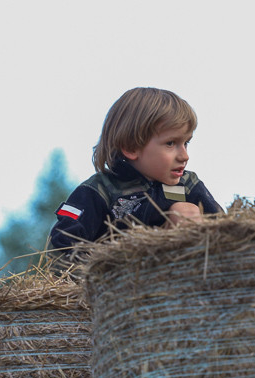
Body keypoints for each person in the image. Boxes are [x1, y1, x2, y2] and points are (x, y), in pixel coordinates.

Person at [47, 86, 222, 259]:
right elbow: (61, 248)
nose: (185, 156)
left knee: (187, 212)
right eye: (170, 143)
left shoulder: (188, 185)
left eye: (186, 143)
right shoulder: (98, 191)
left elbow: (226, 232)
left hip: (182, 278)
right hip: (122, 280)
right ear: (131, 147)